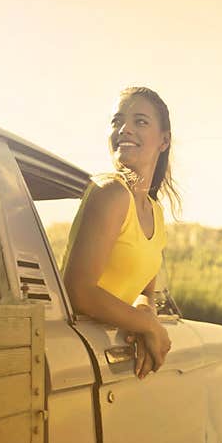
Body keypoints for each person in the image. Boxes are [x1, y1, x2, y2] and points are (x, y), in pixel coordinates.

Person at [61, 87, 181, 380]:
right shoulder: (110, 192)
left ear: (164, 140)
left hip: (106, 352)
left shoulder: (155, 212)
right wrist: (149, 327)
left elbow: (145, 291)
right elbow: (79, 292)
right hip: (73, 351)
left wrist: (143, 316)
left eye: (140, 121)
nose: (124, 129)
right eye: (117, 121)